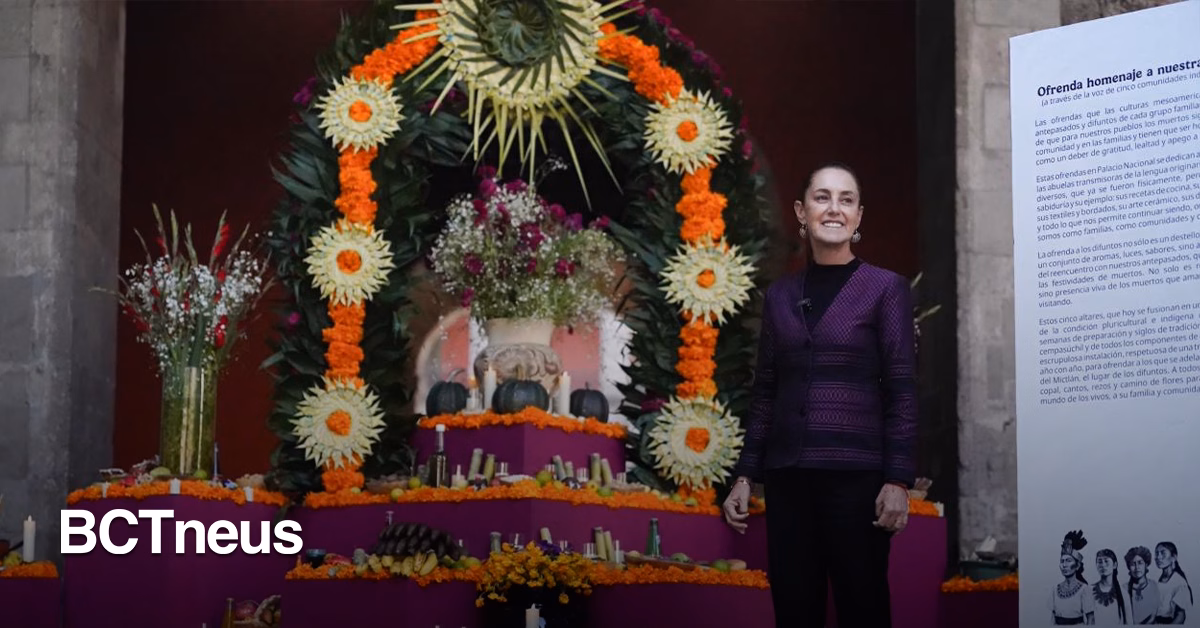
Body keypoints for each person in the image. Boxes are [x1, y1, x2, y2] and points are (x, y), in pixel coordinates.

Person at [721, 162, 917, 628]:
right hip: (789, 478)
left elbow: (902, 388)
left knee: (862, 606)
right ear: (801, 212)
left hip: (858, 480)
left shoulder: (885, 289)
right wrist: (746, 475)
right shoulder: (780, 296)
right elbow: (765, 389)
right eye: (822, 197)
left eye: (846, 199)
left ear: (859, 216)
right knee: (794, 610)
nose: (834, 208)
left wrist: (899, 480)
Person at [1051, 531, 1096, 624]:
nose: (1064, 565)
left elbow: (1091, 619)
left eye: (1068, 561)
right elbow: (1052, 619)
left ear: (1077, 565)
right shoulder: (1055, 589)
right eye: (1062, 561)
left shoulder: (1084, 589)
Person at [1154, 542, 1192, 623]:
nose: (1158, 557)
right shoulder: (1160, 579)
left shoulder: (1179, 582)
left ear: (1173, 557)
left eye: (1163, 553)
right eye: (1156, 553)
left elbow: (1180, 616)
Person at [1127, 546, 1162, 624]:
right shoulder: (1124, 589)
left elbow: (1153, 615)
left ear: (1146, 565)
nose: (1137, 568)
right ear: (1129, 567)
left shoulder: (1154, 586)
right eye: (1133, 564)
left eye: (1140, 563)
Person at [1093, 548, 1128, 625]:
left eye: (1106, 561)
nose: (1103, 565)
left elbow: (1129, 622)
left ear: (1115, 565)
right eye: (1099, 562)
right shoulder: (1089, 590)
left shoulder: (1123, 592)